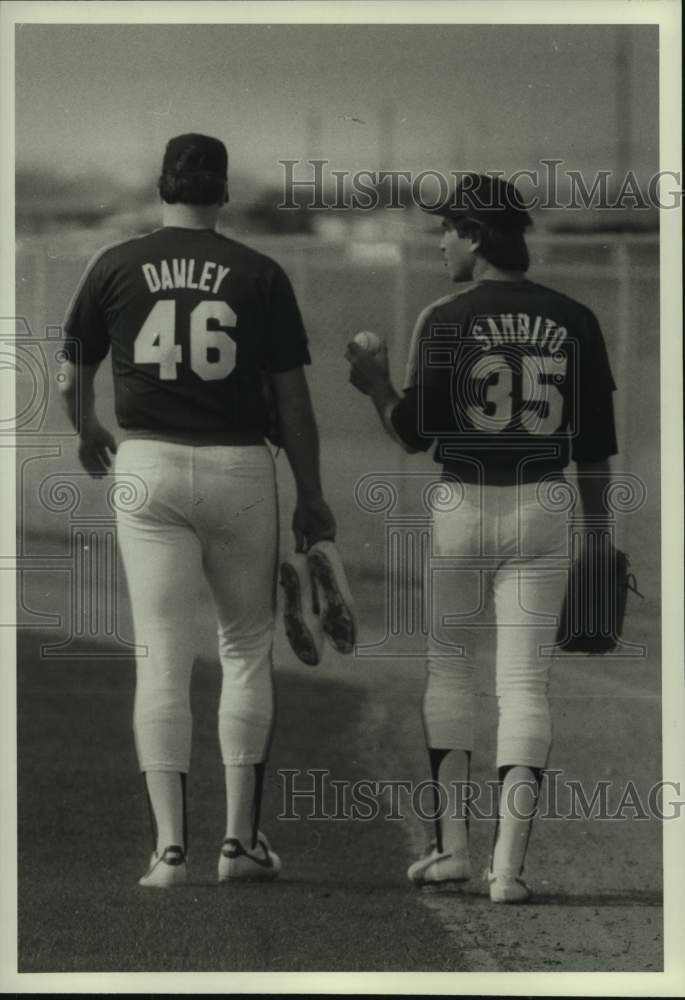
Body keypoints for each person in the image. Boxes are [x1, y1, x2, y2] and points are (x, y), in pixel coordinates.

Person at [59, 133, 337, 888]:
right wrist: (311, 496)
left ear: (162, 186)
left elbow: (69, 379)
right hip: (239, 464)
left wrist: (87, 431)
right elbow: (292, 401)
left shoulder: (114, 263)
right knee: (245, 649)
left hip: (145, 464)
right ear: (222, 193)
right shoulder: (260, 271)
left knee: (161, 655)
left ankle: (169, 850)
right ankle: (239, 845)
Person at [345, 173, 617, 902]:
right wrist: (598, 538)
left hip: (462, 504)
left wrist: (371, 380)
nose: (439, 241)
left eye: (446, 230)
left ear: (473, 234)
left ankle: (450, 851)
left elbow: (411, 432)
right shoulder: (574, 317)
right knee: (525, 686)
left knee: (450, 675)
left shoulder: (444, 314)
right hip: (544, 504)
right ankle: (508, 870)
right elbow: (593, 447)